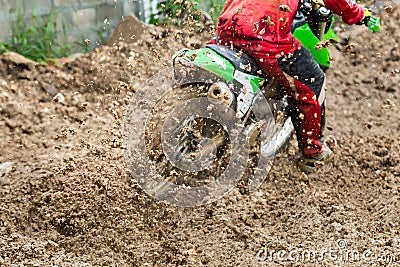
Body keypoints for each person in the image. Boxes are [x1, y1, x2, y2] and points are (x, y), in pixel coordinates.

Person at [212, 0, 378, 173]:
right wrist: (360, 14)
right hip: (265, 37)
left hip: (229, 25)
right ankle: (312, 153)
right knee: (312, 81)